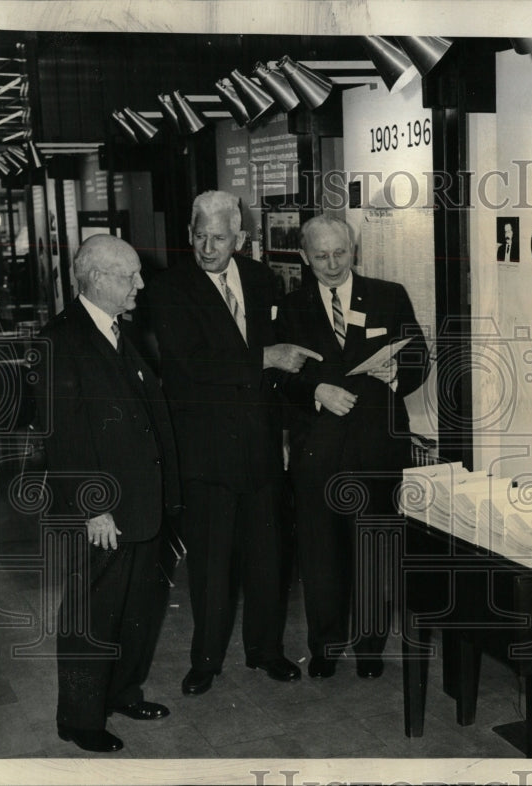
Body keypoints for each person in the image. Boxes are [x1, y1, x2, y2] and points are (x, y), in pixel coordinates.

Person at [146, 190, 320, 696]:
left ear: (240, 238)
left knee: (268, 556)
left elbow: (283, 364)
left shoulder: (263, 279)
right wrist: (266, 358)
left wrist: (289, 426)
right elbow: (188, 366)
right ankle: (206, 659)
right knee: (211, 564)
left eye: (218, 237)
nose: (207, 246)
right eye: (199, 235)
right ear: (189, 234)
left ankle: (266, 650)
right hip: (205, 452)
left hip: (262, 447)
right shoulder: (168, 289)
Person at [38, 235, 179, 753]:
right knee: (91, 614)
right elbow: (65, 437)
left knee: (136, 608)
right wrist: (93, 507)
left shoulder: (120, 332)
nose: (140, 284)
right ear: (97, 278)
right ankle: (78, 718)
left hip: (140, 507)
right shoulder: (61, 339)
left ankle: (122, 692)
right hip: (103, 513)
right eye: (131, 276)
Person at [277, 214, 429, 679]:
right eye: (320, 256)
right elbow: (277, 378)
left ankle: (369, 648)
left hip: (377, 449)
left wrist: (398, 373)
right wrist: (314, 392)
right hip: (317, 451)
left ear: (354, 250)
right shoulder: (289, 307)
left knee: (373, 553)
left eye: (339, 253)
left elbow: (418, 357)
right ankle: (324, 647)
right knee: (320, 557)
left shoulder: (389, 295)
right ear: (304, 257)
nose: (331, 263)